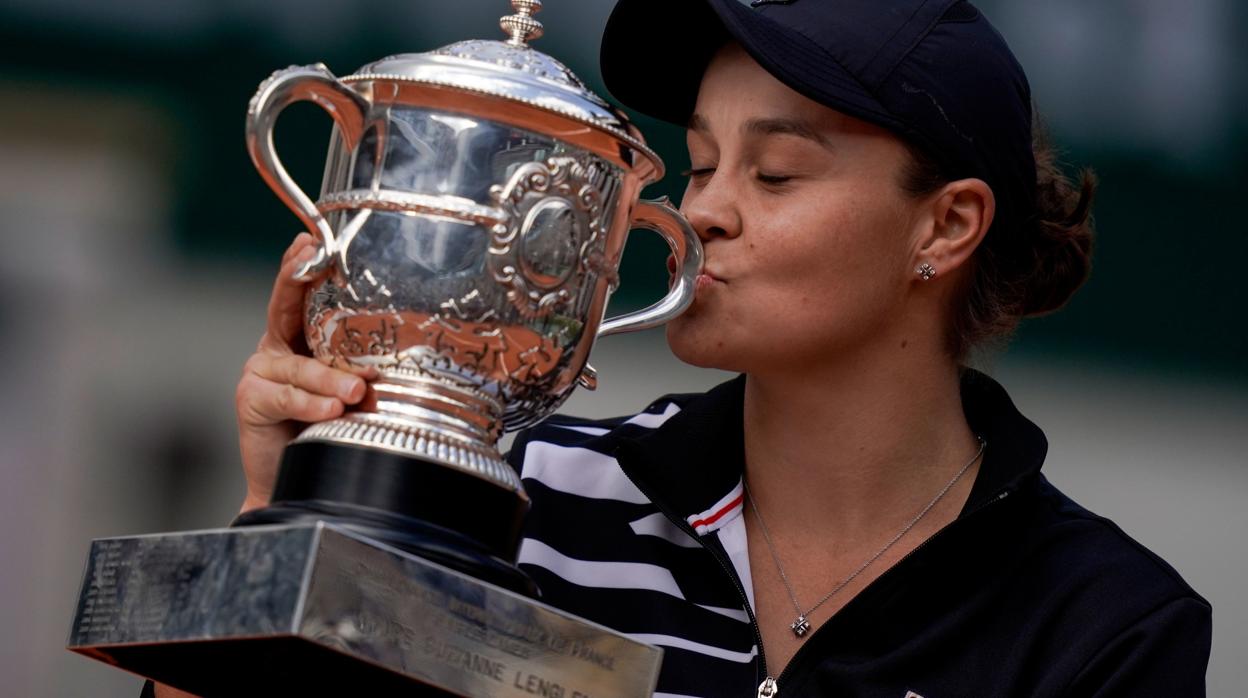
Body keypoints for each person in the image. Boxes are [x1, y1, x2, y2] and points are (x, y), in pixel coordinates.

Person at [153, 0, 1210, 696]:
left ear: (945, 225)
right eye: (701, 163)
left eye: (777, 173)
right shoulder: (523, 492)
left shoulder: (1105, 625)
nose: (705, 212)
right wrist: (287, 525)